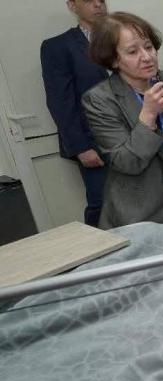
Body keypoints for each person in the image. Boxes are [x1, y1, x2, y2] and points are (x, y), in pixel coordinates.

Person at [81, 12, 163, 229]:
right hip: (141, 212)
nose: (147, 57)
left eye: (149, 47)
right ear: (113, 60)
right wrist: (148, 115)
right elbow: (125, 161)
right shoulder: (100, 100)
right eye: (133, 52)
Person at [40, 0, 109, 227]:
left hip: (133, 134)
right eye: (89, 1)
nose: (98, 5)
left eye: (101, 0)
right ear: (72, 5)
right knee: (102, 204)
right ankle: (99, 249)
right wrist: (80, 147)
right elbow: (60, 101)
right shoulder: (58, 46)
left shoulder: (120, 37)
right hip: (94, 142)